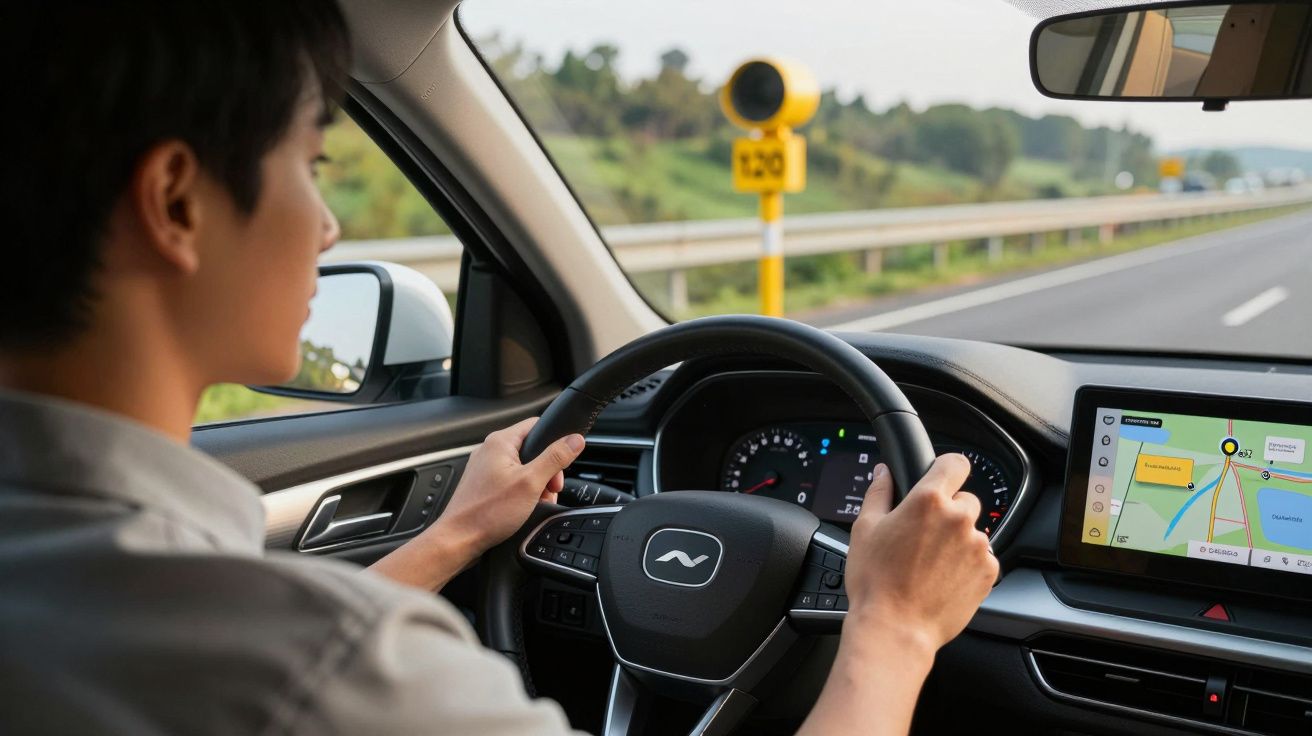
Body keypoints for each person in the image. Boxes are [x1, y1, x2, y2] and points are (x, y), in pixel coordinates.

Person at [0, 2, 997, 734]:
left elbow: (277, 655)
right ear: (177, 200)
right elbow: (307, 663)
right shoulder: (330, 671)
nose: (330, 224)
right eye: (313, 165)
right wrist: (893, 625)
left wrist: (461, 532)